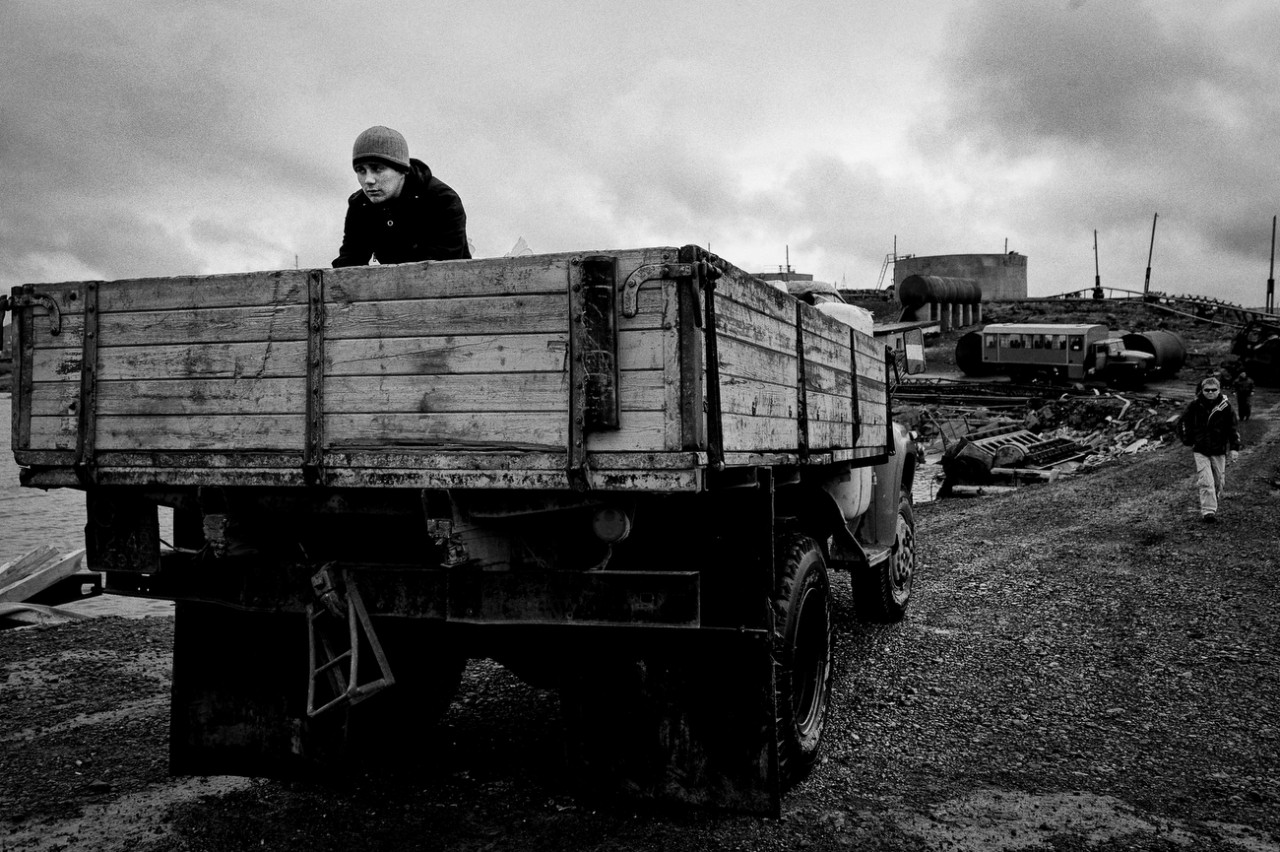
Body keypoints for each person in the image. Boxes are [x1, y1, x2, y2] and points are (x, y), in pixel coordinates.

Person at [332, 126, 471, 267]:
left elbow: (445, 268)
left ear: (402, 170)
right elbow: (350, 261)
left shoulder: (442, 200)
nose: (368, 180)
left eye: (377, 169)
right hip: (389, 286)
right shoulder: (361, 205)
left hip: (455, 286)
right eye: (361, 171)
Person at [1175, 375, 1241, 523]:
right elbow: (1183, 423)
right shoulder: (1195, 405)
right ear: (1202, 390)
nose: (1210, 393)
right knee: (1206, 480)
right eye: (1207, 390)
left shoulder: (1226, 407)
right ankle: (1208, 511)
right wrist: (1188, 439)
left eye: (1213, 390)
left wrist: (1234, 448)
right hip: (1201, 449)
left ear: (1219, 390)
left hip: (1219, 449)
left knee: (1218, 482)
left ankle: (1212, 500)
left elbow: (1233, 428)